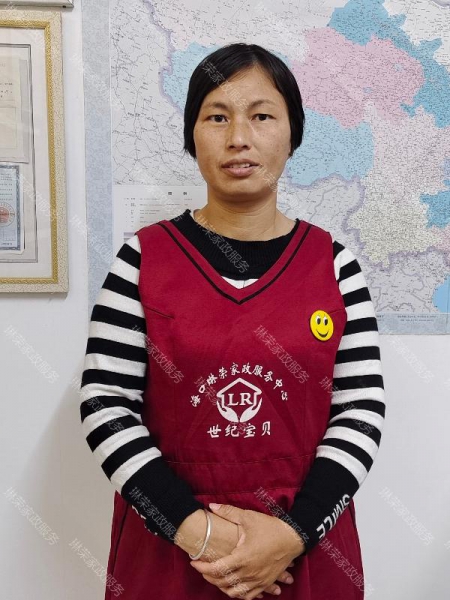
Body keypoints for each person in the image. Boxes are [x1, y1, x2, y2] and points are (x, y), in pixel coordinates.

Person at [80, 42, 385, 600]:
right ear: (192, 135)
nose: (239, 137)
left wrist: (292, 535)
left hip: (305, 551)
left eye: (262, 116)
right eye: (217, 117)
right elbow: (105, 405)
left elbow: (361, 410)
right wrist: (198, 532)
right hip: (172, 552)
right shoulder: (142, 260)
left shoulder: (334, 265)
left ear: (292, 134)